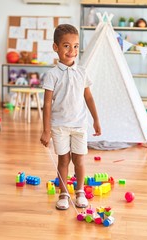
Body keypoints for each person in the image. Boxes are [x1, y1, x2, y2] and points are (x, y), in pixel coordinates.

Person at [40, 24, 101, 210]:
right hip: (59, 126)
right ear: (56, 47)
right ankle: (64, 193)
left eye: (75, 46)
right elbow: (48, 104)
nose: (72, 50)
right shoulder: (52, 75)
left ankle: (80, 191)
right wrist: (46, 130)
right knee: (64, 160)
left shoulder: (82, 72)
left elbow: (88, 97)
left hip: (80, 125)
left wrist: (96, 120)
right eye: (66, 46)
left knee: (79, 160)